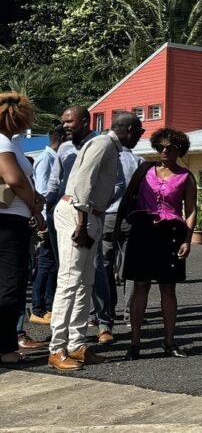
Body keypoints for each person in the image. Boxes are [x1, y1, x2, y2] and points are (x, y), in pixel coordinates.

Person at [48, 111, 143, 371]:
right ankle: (57, 349)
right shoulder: (102, 144)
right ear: (129, 130)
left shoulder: (110, 147)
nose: (140, 136)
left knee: (85, 282)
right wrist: (81, 223)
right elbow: (83, 181)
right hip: (78, 215)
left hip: (91, 215)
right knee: (69, 281)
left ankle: (77, 345)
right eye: (139, 131)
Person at [120, 128, 197, 360]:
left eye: (170, 148)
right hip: (142, 230)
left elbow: (191, 210)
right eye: (161, 147)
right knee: (140, 286)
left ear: (179, 150)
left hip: (170, 233)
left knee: (168, 288)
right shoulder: (144, 170)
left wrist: (187, 240)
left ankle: (169, 342)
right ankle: (135, 343)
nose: (165, 151)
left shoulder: (186, 177)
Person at [45, 106, 113, 343]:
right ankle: (58, 343)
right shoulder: (64, 148)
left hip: (91, 215)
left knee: (90, 276)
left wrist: (98, 211)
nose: (64, 126)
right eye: (63, 122)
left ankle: (88, 333)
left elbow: (114, 184)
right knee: (68, 277)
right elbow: (55, 181)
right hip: (68, 214)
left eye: (69, 122)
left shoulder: (100, 145)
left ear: (85, 121)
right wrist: (48, 211)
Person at [0, 92, 45, 365]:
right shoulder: (3, 141)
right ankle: (5, 348)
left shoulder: (9, 141)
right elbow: (14, 178)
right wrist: (35, 207)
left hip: (11, 218)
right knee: (11, 285)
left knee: (10, 285)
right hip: (7, 221)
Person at [98, 139, 143, 342]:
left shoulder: (106, 158)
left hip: (106, 216)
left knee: (104, 265)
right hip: (131, 216)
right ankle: (129, 313)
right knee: (131, 267)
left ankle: (105, 313)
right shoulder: (139, 161)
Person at [28, 122, 64, 326]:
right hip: (47, 218)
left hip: (54, 218)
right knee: (45, 263)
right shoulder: (45, 159)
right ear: (61, 139)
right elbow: (42, 192)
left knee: (51, 264)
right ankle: (38, 308)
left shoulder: (54, 158)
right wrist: (43, 223)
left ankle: (48, 306)